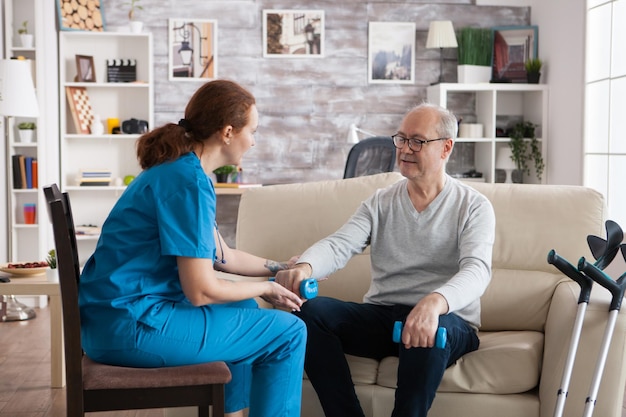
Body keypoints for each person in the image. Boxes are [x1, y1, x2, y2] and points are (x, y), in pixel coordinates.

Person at [79, 79, 307, 417]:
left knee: (243, 304)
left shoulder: (182, 171)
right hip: (131, 326)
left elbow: (223, 257)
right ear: (228, 132)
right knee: (289, 333)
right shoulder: (187, 182)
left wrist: (279, 267)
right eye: (252, 131)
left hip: (111, 320)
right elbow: (200, 290)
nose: (254, 141)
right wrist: (268, 289)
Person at [275, 102, 496, 417]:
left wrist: (434, 303)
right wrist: (305, 266)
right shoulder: (380, 202)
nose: (405, 149)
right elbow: (340, 244)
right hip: (385, 317)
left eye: (417, 141)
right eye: (401, 139)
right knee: (309, 312)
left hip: (447, 320)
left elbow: (477, 271)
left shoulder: (474, 206)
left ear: (446, 147)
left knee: (432, 331)